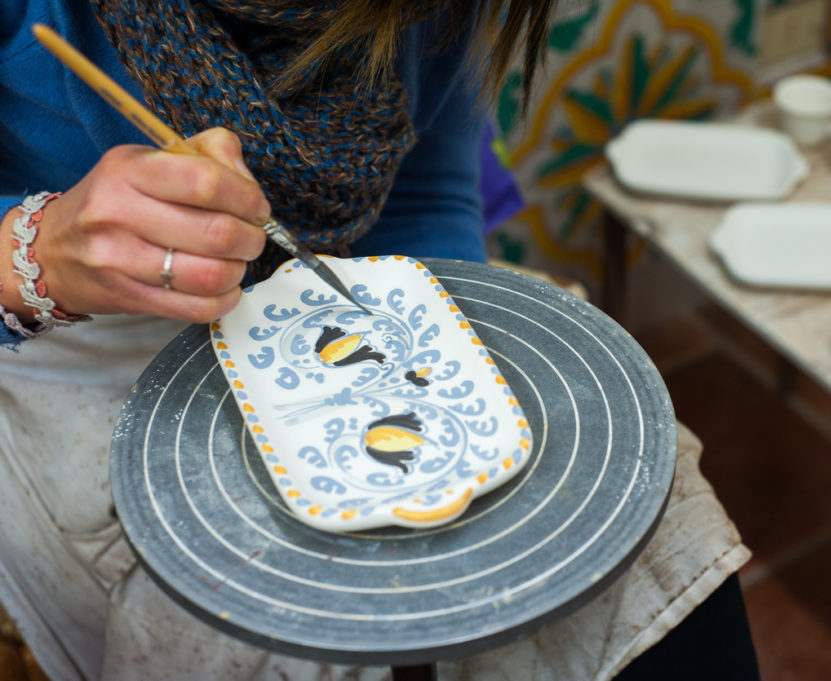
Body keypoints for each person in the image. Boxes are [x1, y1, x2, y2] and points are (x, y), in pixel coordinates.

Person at [0, 1, 759, 679]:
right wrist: (37, 254)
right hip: (62, 351)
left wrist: (431, 348)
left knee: (625, 499)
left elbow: (426, 186)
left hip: (338, 316)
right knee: (254, 601)